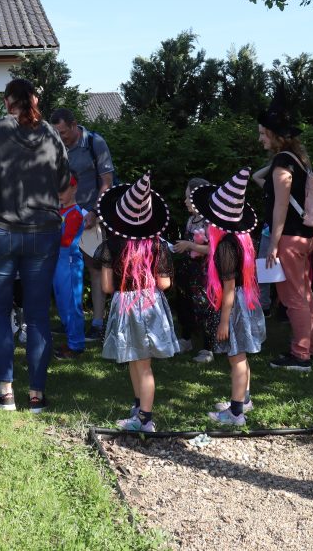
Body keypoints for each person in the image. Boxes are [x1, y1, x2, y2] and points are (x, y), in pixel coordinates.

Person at [0, 78, 69, 412]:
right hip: (44, 231)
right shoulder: (51, 133)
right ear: (35, 100)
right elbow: (64, 182)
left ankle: (6, 392)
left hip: (0, 229)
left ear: (7, 101)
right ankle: (36, 395)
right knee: (38, 315)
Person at [95, 172, 178, 434]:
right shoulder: (157, 246)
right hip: (150, 303)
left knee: (138, 361)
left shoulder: (111, 246)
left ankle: (145, 418)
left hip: (126, 306)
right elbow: (165, 283)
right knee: (139, 361)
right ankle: (139, 407)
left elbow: (107, 287)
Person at [189, 168, 266, 427]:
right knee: (241, 353)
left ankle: (235, 413)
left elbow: (229, 287)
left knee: (236, 357)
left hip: (235, 306)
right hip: (244, 301)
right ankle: (243, 399)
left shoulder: (224, 247)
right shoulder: (239, 239)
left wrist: (224, 322)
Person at [256, 98, 313, 373]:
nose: (260, 139)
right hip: (304, 237)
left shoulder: (283, 162)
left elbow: (280, 206)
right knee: (304, 294)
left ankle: (300, 355)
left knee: (293, 297)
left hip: (289, 239)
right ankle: (309, 349)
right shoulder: (297, 161)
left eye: (263, 133)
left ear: (275, 135)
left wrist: (273, 244)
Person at [48, 107, 115, 341]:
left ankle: (97, 324)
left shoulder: (95, 143)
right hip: (63, 216)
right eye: (57, 133)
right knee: (65, 268)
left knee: (94, 268)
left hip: (90, 216)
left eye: (63, 132)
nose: (61, 137)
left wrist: (95, 211)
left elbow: (107, 181)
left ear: (74, 125)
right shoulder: (55, 146)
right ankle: (69, 320)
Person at [171, 177, 219, 362]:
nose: (185, 201)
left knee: (205, 307)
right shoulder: (191, 220)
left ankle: (208, 348)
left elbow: (213, 249)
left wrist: (190, 245)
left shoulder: (210, 222)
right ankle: (186, 339)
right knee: (185, 304)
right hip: (188, 270)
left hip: (204, 273)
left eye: (188, 197)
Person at [54, 174, 87, 360]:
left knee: (71, 304)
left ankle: (76, 344)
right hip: (59, 262)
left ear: (74, 188)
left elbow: (65, 241)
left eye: (63, 189)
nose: (59, 194)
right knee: (62, 303)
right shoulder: (60, 211)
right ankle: (71, 340)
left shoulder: (74, 213)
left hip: (69, 263)